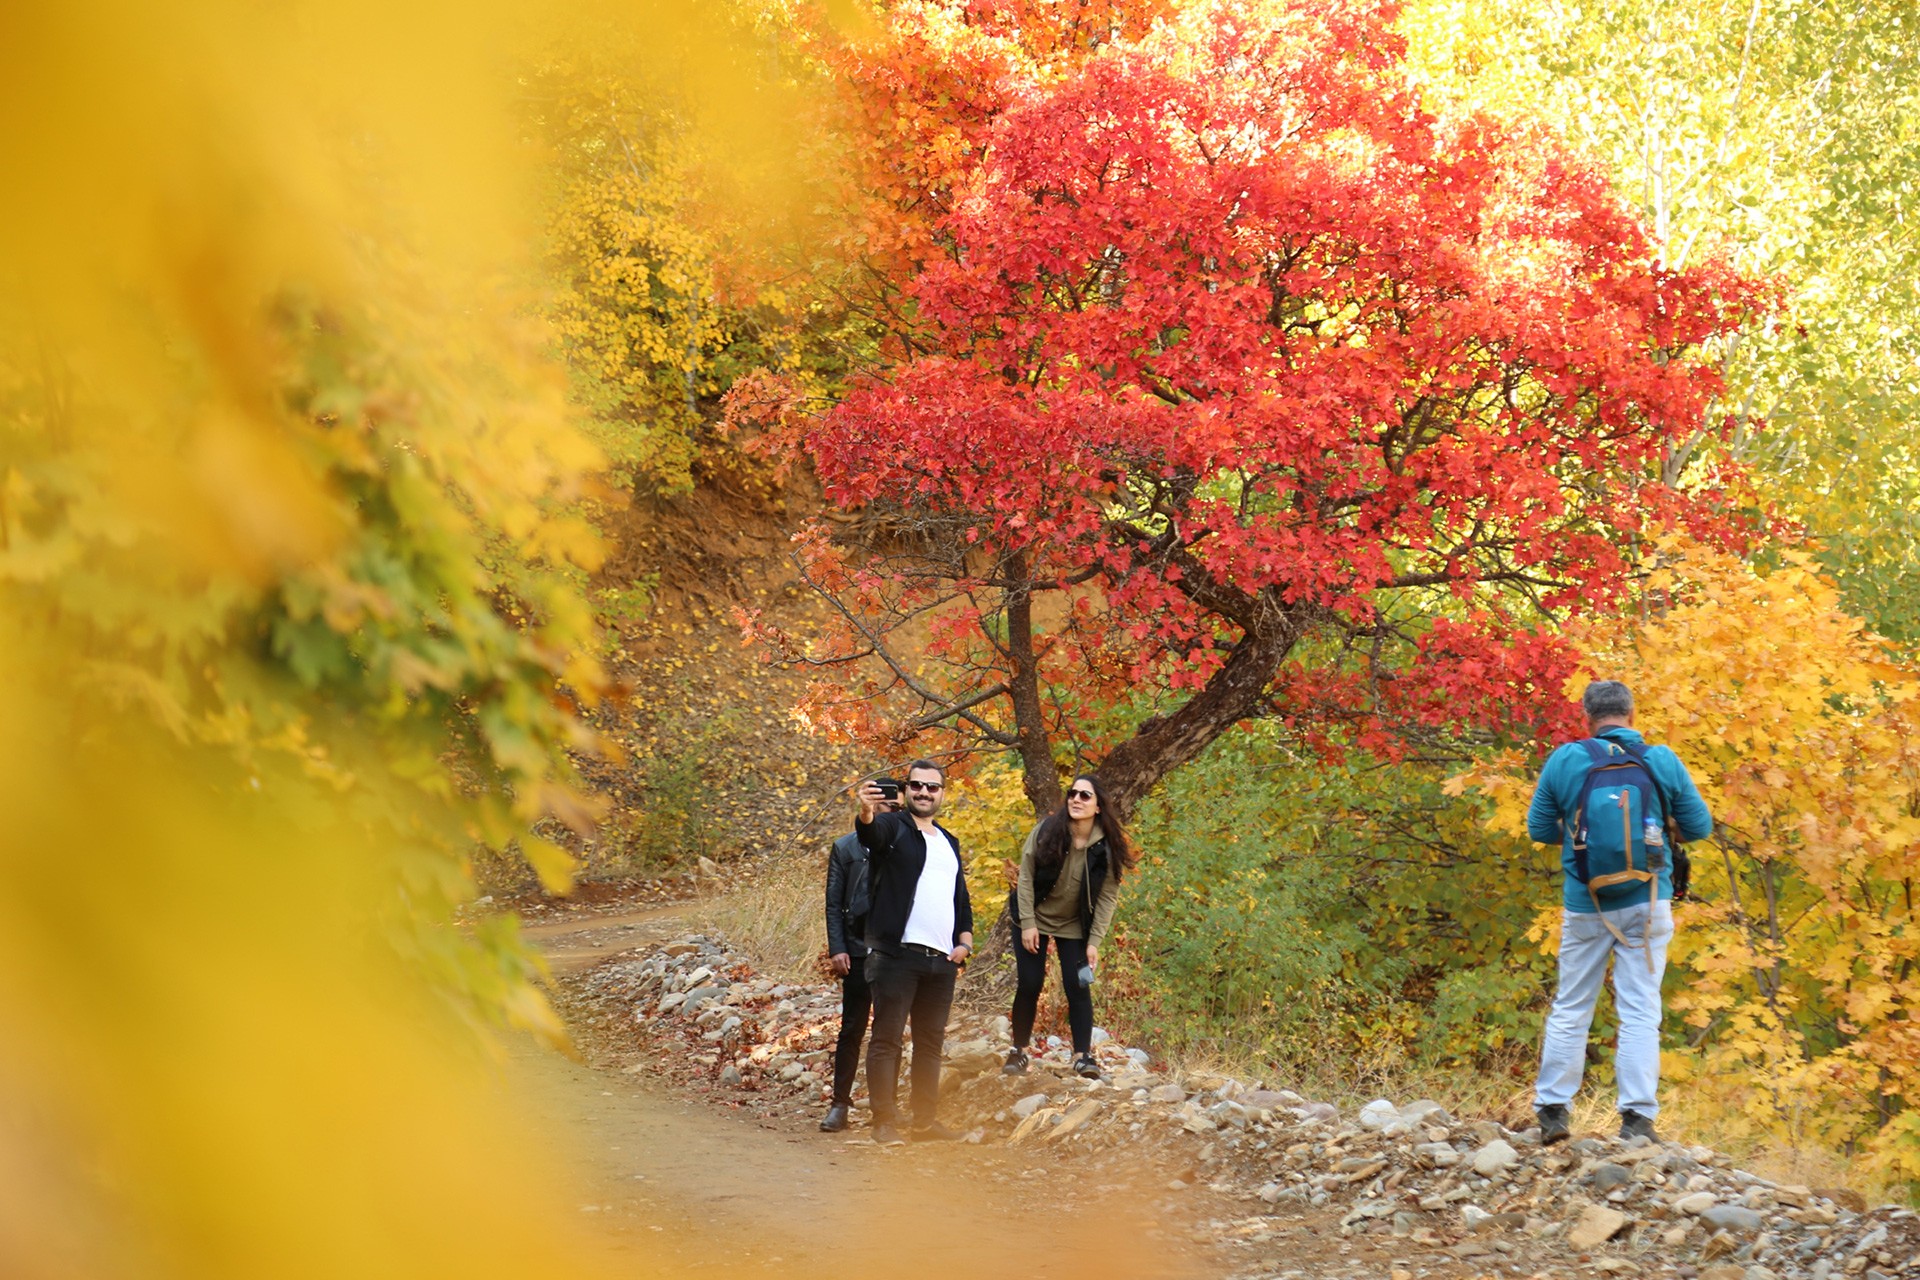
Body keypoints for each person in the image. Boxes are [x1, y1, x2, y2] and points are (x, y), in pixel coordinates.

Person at [1528, 680, 1712, 1144]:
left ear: (1586, 717)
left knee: (1572, 1005)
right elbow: (1699, 827)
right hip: (1648, 900)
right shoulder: (1660, 759)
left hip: (1585, 902)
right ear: (1631, 714)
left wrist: (1578, 836)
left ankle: (1553, 1111)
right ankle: (1637, 1120)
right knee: (1639, 1010)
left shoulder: (1567, 759)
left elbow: (1537, 828)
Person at [853, 760, 974, 1146]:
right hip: (896, 956)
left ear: (942, 793)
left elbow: (960, 898)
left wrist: (965, 942)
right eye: (917, 786)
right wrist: (866, 811)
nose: (924, 793)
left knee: (930, 1044)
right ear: (906, 791)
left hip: (941, 961)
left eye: (932, 788)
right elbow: (870, 833)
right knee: (887, 1040)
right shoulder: (895, 828)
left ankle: (924, 1123)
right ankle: (884, 1122)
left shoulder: (949, 841)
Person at [1003, 773, 1136, 1080]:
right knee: (1030, 982)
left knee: (1078, 985)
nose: (1076, 799)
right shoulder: (1048, 830)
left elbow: (1107, 898)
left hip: (1075, 924)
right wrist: (1027, 924)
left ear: (1099, 807)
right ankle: (1018, 1051)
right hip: (1032, 915)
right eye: (1072, 793)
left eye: (1085, 796)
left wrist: (1094, 942)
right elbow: (1024, 878)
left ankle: (1082, 1055)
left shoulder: (1107, 847)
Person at [820, 778, 899, 1133]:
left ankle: (886, 1110)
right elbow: (834, 902)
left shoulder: (905, 845)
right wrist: (837, 947)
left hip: (894, 952)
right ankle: (840, 1104)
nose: (891, 815)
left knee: (890, 1032)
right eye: (885, 807)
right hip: (855, 949)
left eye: (896, 808)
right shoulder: (845, 847)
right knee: (852, 1028)